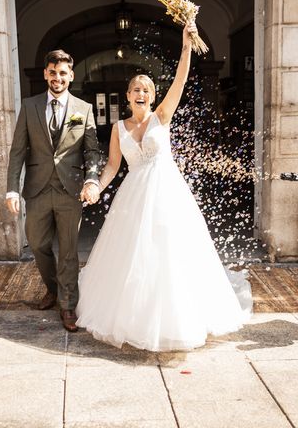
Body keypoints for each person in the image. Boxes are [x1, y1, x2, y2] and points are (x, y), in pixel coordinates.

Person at [75, 22, 253, 351]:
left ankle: (178, 318)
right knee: (133, 257)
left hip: (167, 193)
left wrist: (186, 45)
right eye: (135, 90)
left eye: (146, 89)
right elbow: (113, 166)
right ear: (127, 96)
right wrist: (97, 187)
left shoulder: (162, 117)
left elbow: (181, 81)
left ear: (152, 96)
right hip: (133, 195)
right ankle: (135, 318)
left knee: (171, 252)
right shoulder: (117, 128)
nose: (141, 94)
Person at [6, 49, 101, 332]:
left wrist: (92, 179)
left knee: (70, 250)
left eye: (63, 73)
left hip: (69, 191)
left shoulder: (83, 109)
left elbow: (92, 151)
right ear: (46, 74)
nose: (57, 78)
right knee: (37, 243)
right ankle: (54, 288)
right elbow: (17, 152)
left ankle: (67, 304)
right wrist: (12, 190)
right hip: (37, 189)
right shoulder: (30, 105)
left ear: (71, 76)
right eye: (52, 72)